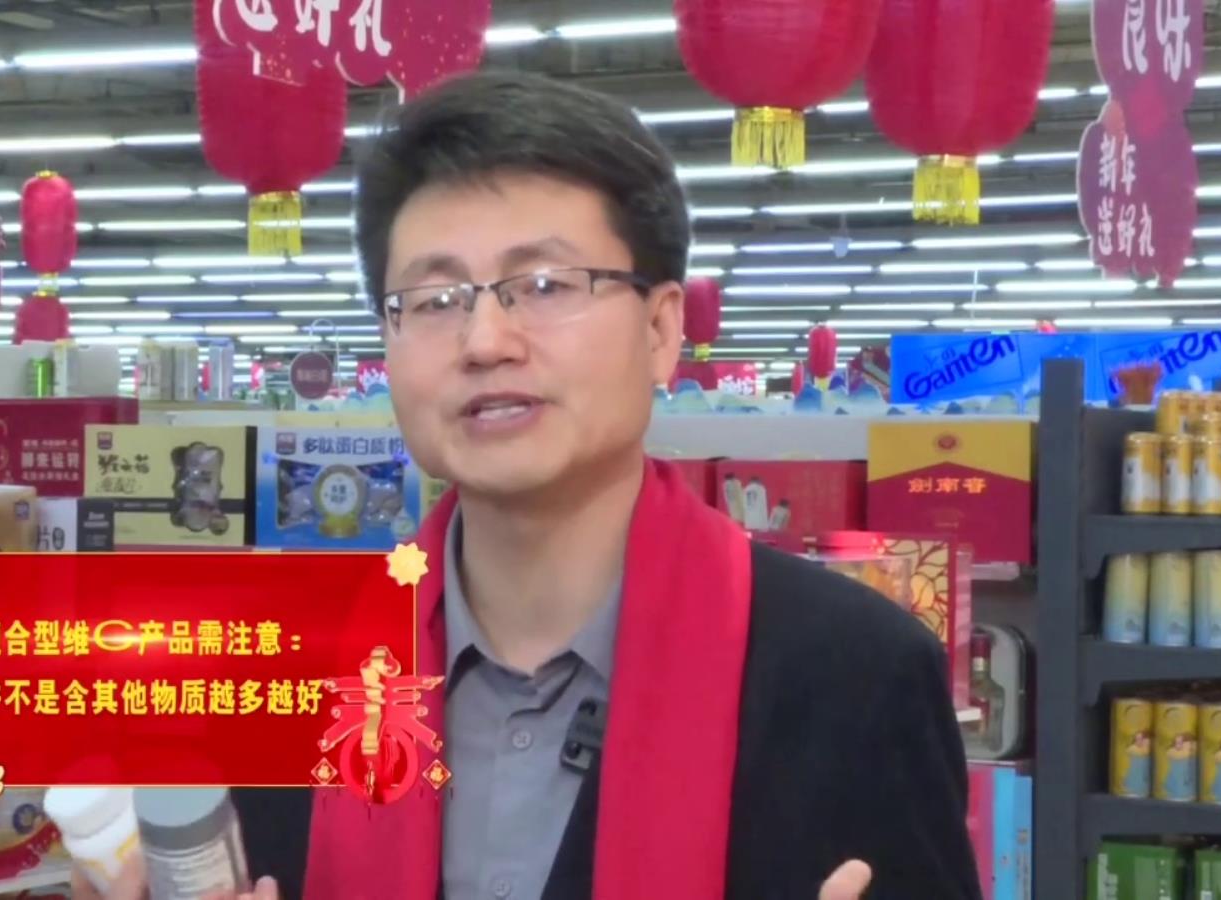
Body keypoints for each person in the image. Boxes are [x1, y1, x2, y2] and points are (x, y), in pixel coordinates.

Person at [79, 71, 980, 900]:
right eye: (435, 300)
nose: (485, 342)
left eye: (545, 284)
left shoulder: (854, 676)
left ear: (661, 331)